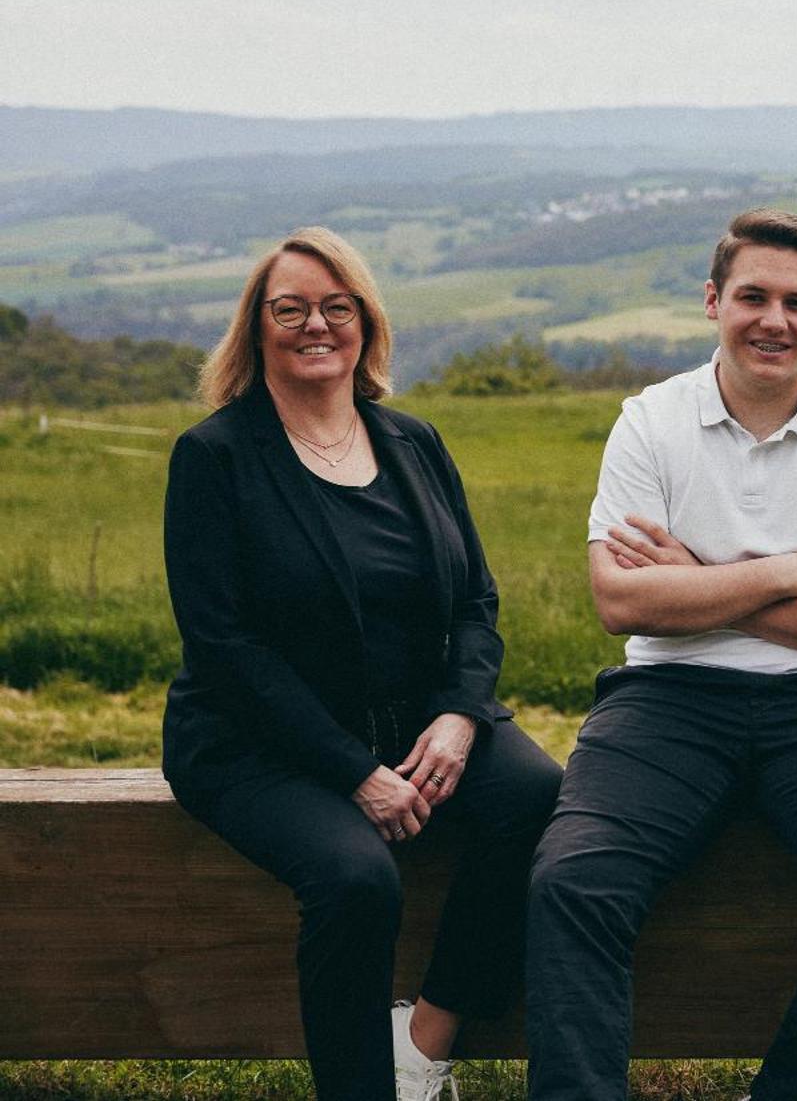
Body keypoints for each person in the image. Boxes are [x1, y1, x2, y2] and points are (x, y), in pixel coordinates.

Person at [524, 208, 797, 1101]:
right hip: (670, 695)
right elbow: (622, 601)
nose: (774, 319)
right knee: (573, 881)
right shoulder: (650, 422)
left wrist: (705, 584)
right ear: (713, 300)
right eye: (752, 295)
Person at [162, 227, 563, 1101]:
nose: (316, 324)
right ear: (257, 327)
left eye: (336, 307)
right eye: (291, 308)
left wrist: (460, 715)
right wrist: (355, 774)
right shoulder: (215, 458)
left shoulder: (413, 443)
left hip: (414, 718)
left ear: (365, 324)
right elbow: (225, 650)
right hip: (253, 740)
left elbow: (476, 602)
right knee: (355, 878)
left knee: (536, 793)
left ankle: (423, 1045)